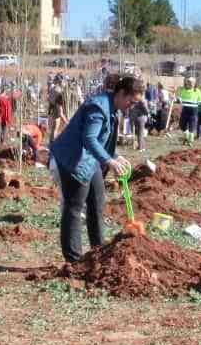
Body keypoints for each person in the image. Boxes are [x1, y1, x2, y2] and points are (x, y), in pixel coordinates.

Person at [50, 75, 141, 262]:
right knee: (74, 208)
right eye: (131, 102)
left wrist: (114, 156)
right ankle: (74, 260)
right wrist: (109, 161)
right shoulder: (98, 107)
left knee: (97, 202)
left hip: (90, 160)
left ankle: (98, 251)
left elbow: (100, 140)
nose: (130, 107)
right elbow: (89, 138)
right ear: (121, 93)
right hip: (73, 160)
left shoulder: (112, 108)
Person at [178, 76, 201, 141]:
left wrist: (195, 104)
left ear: (194, 83)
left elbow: (200, 100)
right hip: (185, 109)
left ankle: (190, 139)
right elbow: (180, 98)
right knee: (182, 124)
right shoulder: (183, 90)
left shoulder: (197, 91)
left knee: (192, 124)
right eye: (189, 82)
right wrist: (178, 99)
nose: (190, 84)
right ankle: (186, 135)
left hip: (193, 110)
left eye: (191, 82)